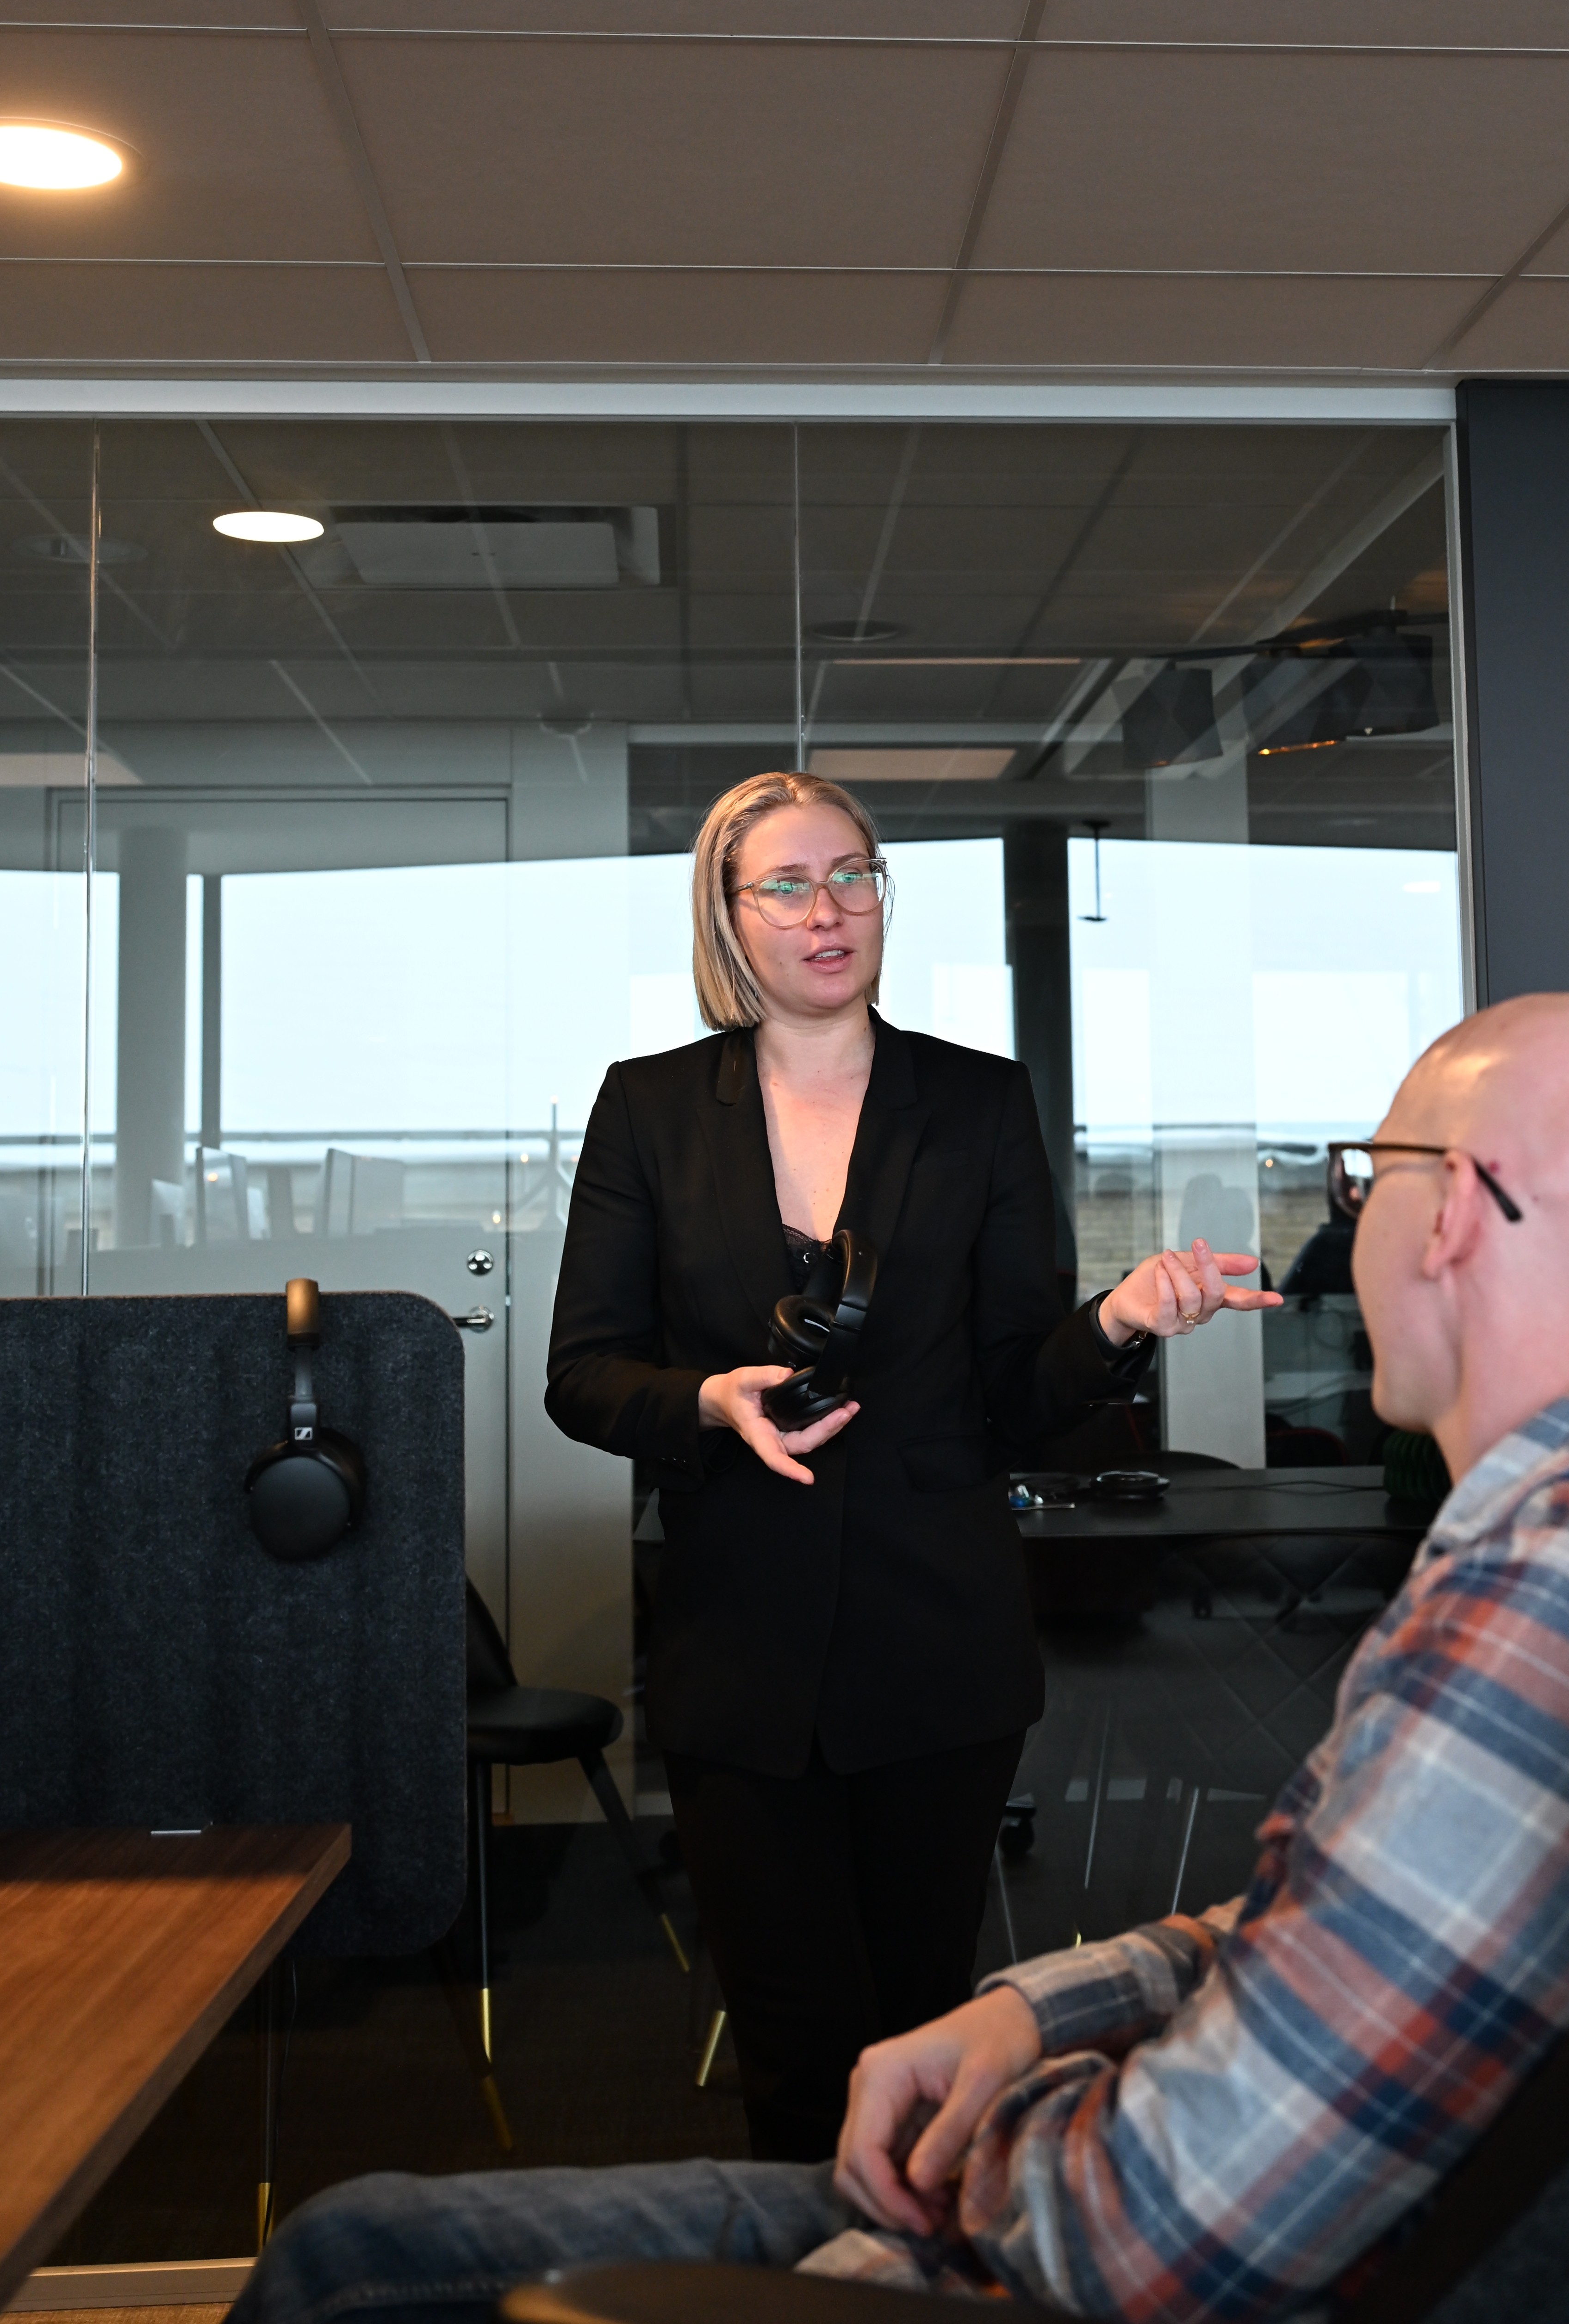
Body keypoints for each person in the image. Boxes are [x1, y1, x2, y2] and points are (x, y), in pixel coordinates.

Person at [230, 988, 1569, 2324]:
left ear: (1457, 1213)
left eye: (1370, 1176)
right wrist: (1045, 2008)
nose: (1349, 1224)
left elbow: (1157, 2227)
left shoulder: (1526, 1624)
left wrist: (989, 2128)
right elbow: (1351, 1934)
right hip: (765, 1684)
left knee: (348, 2260)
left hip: (1014, 2243)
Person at [542, 769, 1277, 2162]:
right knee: (793, 2054)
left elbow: (1015, 1398)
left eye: (853, 877)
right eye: (787, 886)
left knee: (926, 2036)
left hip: (939, 1645)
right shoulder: (649, 1108)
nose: (828, 911)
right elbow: (582, 1375)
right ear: (730, 916)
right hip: (739, 1650)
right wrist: (709, 1402)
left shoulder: (980, 1102)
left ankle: (926, 2264)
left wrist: (1120, 1322)